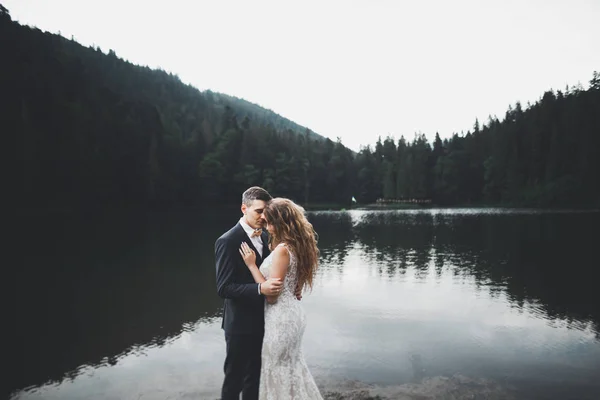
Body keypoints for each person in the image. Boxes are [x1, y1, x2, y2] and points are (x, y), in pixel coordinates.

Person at [239, 197, 323, 399]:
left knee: (277, 368)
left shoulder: (283, 250)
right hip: (292, 312)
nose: (267, 227)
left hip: (281, 318)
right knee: (291, 366)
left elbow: (272, 296)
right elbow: (292, 283)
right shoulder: (297, 246)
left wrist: (251, 265)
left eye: (269, 222)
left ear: (281, 222)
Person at [215, 186, 284, 400]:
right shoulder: (227, 241)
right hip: (239, 324)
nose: (264, 217)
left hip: (264, 319)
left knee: (254, 377)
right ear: (244, 208)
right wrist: (259, 288)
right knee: (234, 379)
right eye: (259, 211)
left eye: (266, 212)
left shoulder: (265, 237)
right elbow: (224, 288)